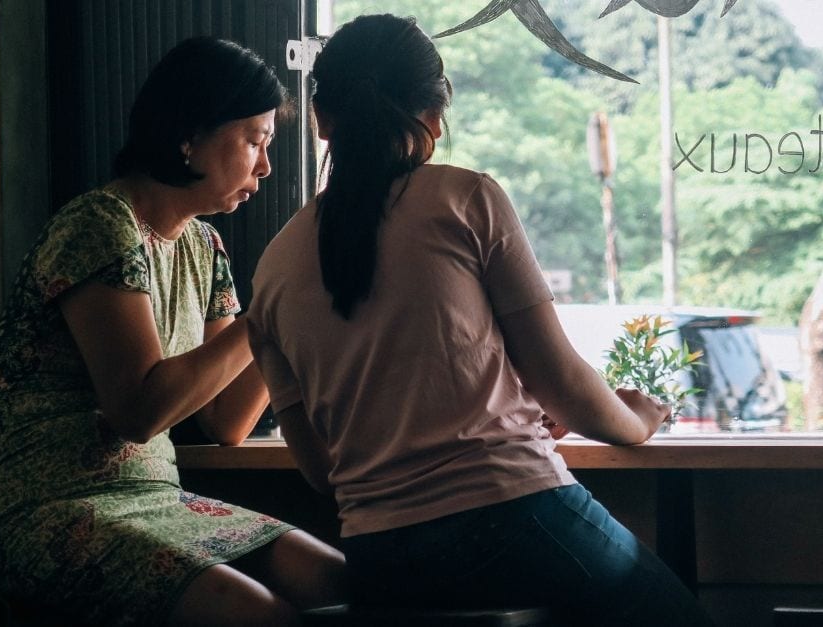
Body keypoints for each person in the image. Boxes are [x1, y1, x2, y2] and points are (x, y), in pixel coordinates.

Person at [247, 14, 713, 627]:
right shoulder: (466, 200)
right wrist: (639, 420)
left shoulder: (271, 271)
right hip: (512, 515)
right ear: (433, 120)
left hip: (379, 559)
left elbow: (320, 470)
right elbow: (563, 385)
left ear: (321, 120)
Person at [0, 36, 345, 626]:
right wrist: (264, 315)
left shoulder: (204, 244)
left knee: (337, 582)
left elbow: (228, 422)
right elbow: (139, 412)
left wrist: (292, 314)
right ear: (190, 136)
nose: (267, 166)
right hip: (47, 506)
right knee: (261, 615)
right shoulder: (100, 226)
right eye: (255, 141)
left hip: (154, 501)